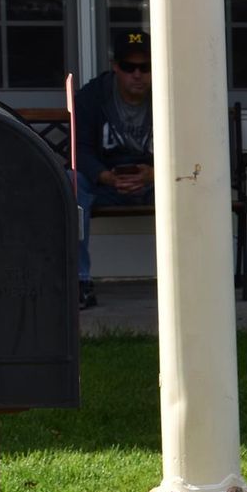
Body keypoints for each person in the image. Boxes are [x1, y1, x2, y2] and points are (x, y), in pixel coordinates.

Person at [72, 28, 155, 309]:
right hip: (105, 183)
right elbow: (79, 150)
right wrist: (105, 176)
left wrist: (155, 174)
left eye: (145, 67)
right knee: (71, 184)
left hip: (157, 182)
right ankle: (81, 282)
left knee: (192, 184)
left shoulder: (172, 95)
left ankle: (197, 280)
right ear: (115, 67)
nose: (137, 74)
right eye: (129, 67)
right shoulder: (92, 96)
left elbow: (191, 148)